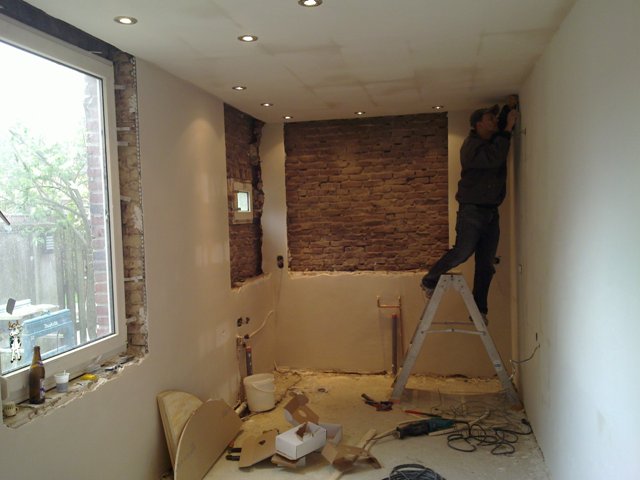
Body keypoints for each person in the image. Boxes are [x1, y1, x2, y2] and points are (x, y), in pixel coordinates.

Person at [421, 99, 519, 322]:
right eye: (489, 119)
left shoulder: (491, 139)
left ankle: (478, 310)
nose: (494, 121)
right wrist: (507, 128)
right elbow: (494, 158)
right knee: (463, 252)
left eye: (494, 118)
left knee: (486, 264)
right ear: (478, 125)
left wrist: (508, 109)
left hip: (491, 212)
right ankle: (430, 279)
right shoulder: (471, 147)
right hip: (472, 211)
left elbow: (498, 135)